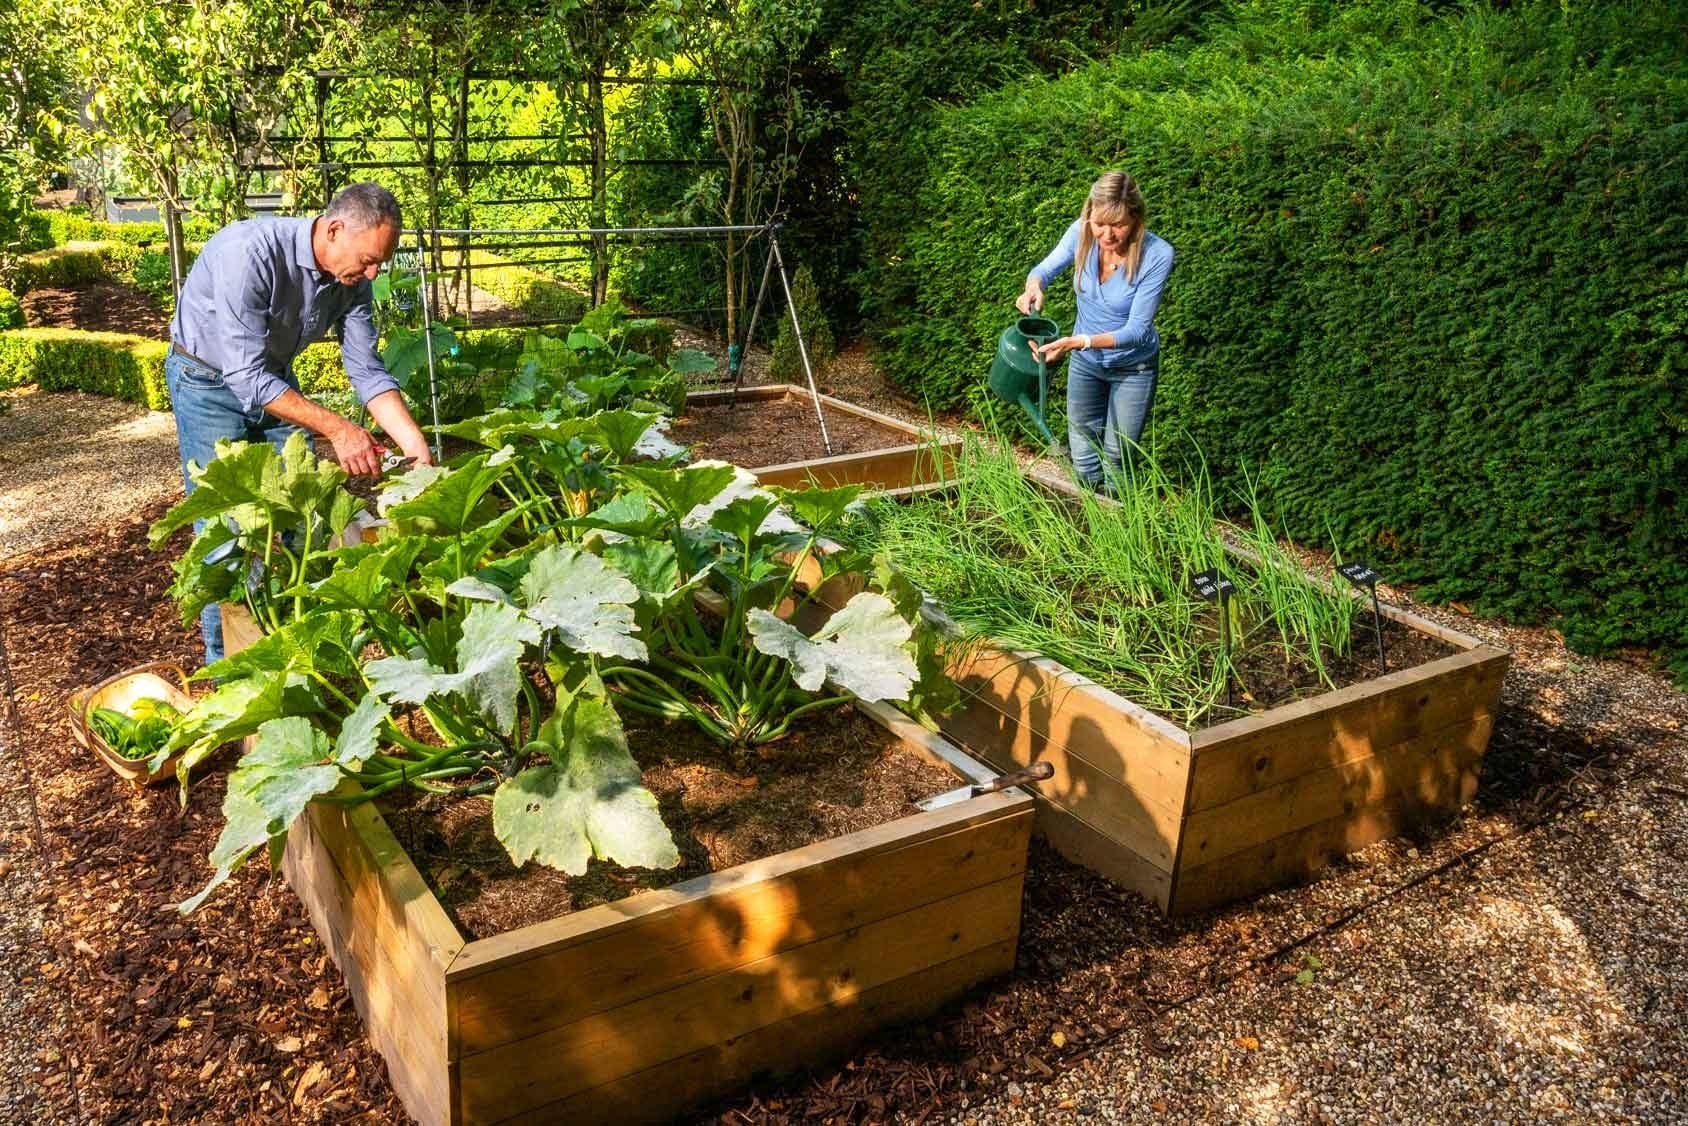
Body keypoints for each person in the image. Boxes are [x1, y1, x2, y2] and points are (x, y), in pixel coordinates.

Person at [165, 181, 434, 664]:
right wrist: (338, 428)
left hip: (273, 381)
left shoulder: (353, 279)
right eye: (370, 259)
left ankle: (289, 658)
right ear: (333, 230)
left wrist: (413, 442)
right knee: (224, 535)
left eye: (380, 263)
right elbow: (243, 374)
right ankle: (227, 676)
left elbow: (365, 368)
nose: (373, 272)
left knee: (297, 523)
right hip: (206, 383)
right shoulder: (247, 254)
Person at [1016, 171, 1174, 488]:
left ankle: (1123, 526)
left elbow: (1137, 331)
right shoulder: (1081, 232)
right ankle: (1088, 526)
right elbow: (1044, 269)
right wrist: (1033, 287)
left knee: (1118, 457)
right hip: (1087, 365)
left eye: (1119, 225)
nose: (1107, 234)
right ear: (1089, 215)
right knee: (1084, 454)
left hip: (1133, 368)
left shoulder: (1157, 254)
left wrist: (1080, 342)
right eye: (1099, 223)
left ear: (1136, 218)